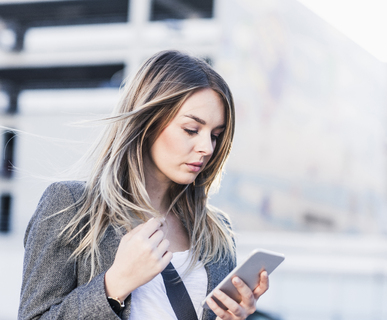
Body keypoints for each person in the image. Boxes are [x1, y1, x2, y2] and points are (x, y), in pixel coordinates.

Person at [19, 50, 269, 320]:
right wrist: (115, 284)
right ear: (148, 122)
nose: (207, 148)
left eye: (216, 135)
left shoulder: (217, 231)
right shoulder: (71, 206)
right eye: (191, 130)